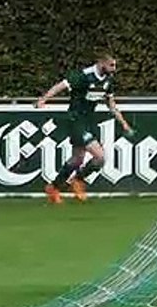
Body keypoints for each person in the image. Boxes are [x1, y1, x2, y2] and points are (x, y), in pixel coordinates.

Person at [36, 54, 134, 204]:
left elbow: (111, 104)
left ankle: (53, 188)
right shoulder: (83, 76)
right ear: (102, 63)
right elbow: (60, 86)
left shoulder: (108, 81)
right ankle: (77, 180)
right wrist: (44, 99)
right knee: (100, 157)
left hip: (88, 121)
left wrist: (124, 123)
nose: (114, 69)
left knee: (77, 159)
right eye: (111, 65)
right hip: (75, 120)